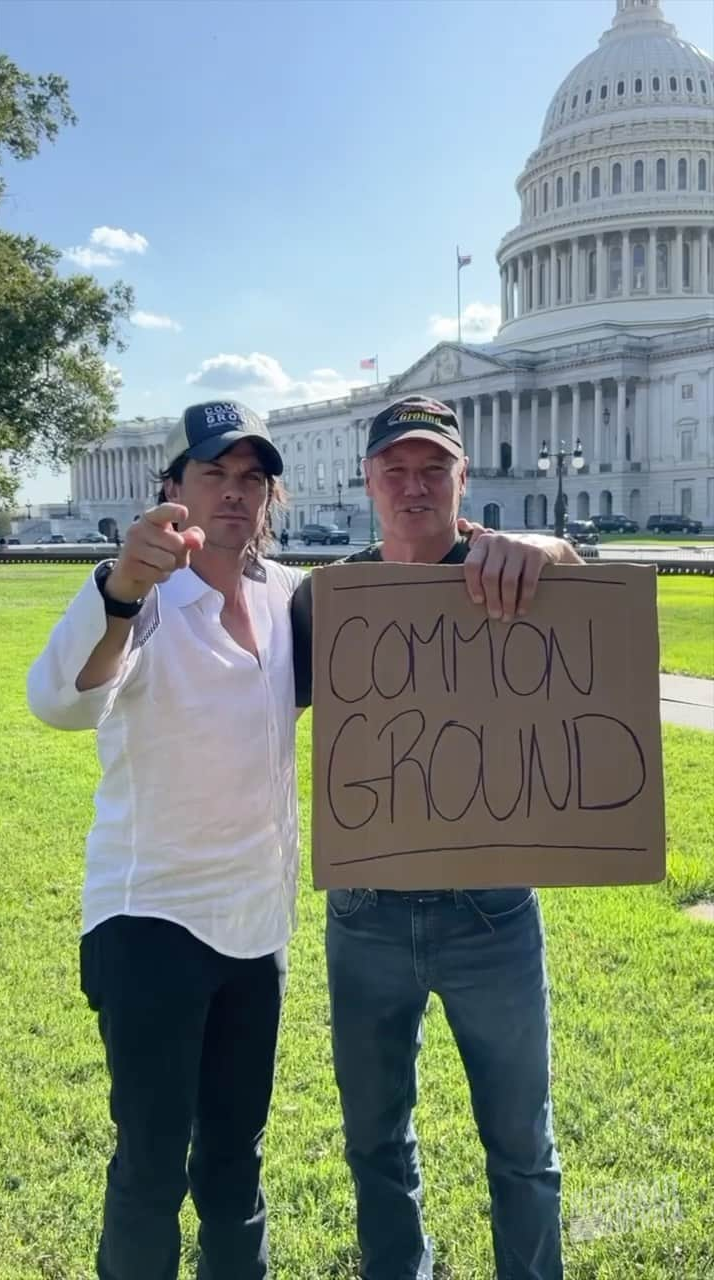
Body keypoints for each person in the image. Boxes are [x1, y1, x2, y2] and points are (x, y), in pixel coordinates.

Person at [291, 395, 582, 1280]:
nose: (413, 484)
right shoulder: (328, 597)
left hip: (490, 915)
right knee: (374, 1139)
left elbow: (587, 592)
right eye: (395, 469)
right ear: (369, 481)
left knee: (521, 1141)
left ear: (463, 481)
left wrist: (550, 547)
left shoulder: (510, 570)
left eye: (433, 468)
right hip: (366, 917)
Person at [27, 400, 305, 1280]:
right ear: (174, 487)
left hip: (257, 926)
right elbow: (61, 701)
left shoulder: (287, 596)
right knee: (150, 1163)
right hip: (151, 923)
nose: (234, 492)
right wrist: (117, 594)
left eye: (251, 477)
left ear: (269, 497)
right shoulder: (141, 590)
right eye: (214, 473)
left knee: (236, 1159)